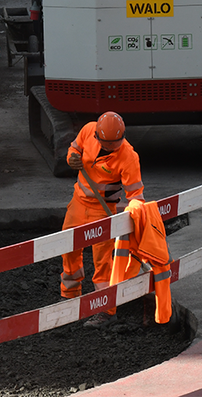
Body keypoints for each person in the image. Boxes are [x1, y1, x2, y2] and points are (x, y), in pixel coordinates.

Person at [60, 112, 145, 327]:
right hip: (78, 203)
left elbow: (136, 194)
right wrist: (71, 158)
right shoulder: (88, 130)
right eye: (105, 144)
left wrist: (134, 214)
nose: (109, 149)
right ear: (97, 136)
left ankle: (106, 311)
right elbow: (74, 148)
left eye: (113, 146)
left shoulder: (128, 157)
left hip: (103, 211)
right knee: (68, 248)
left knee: (103, 262)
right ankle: (70, 297)